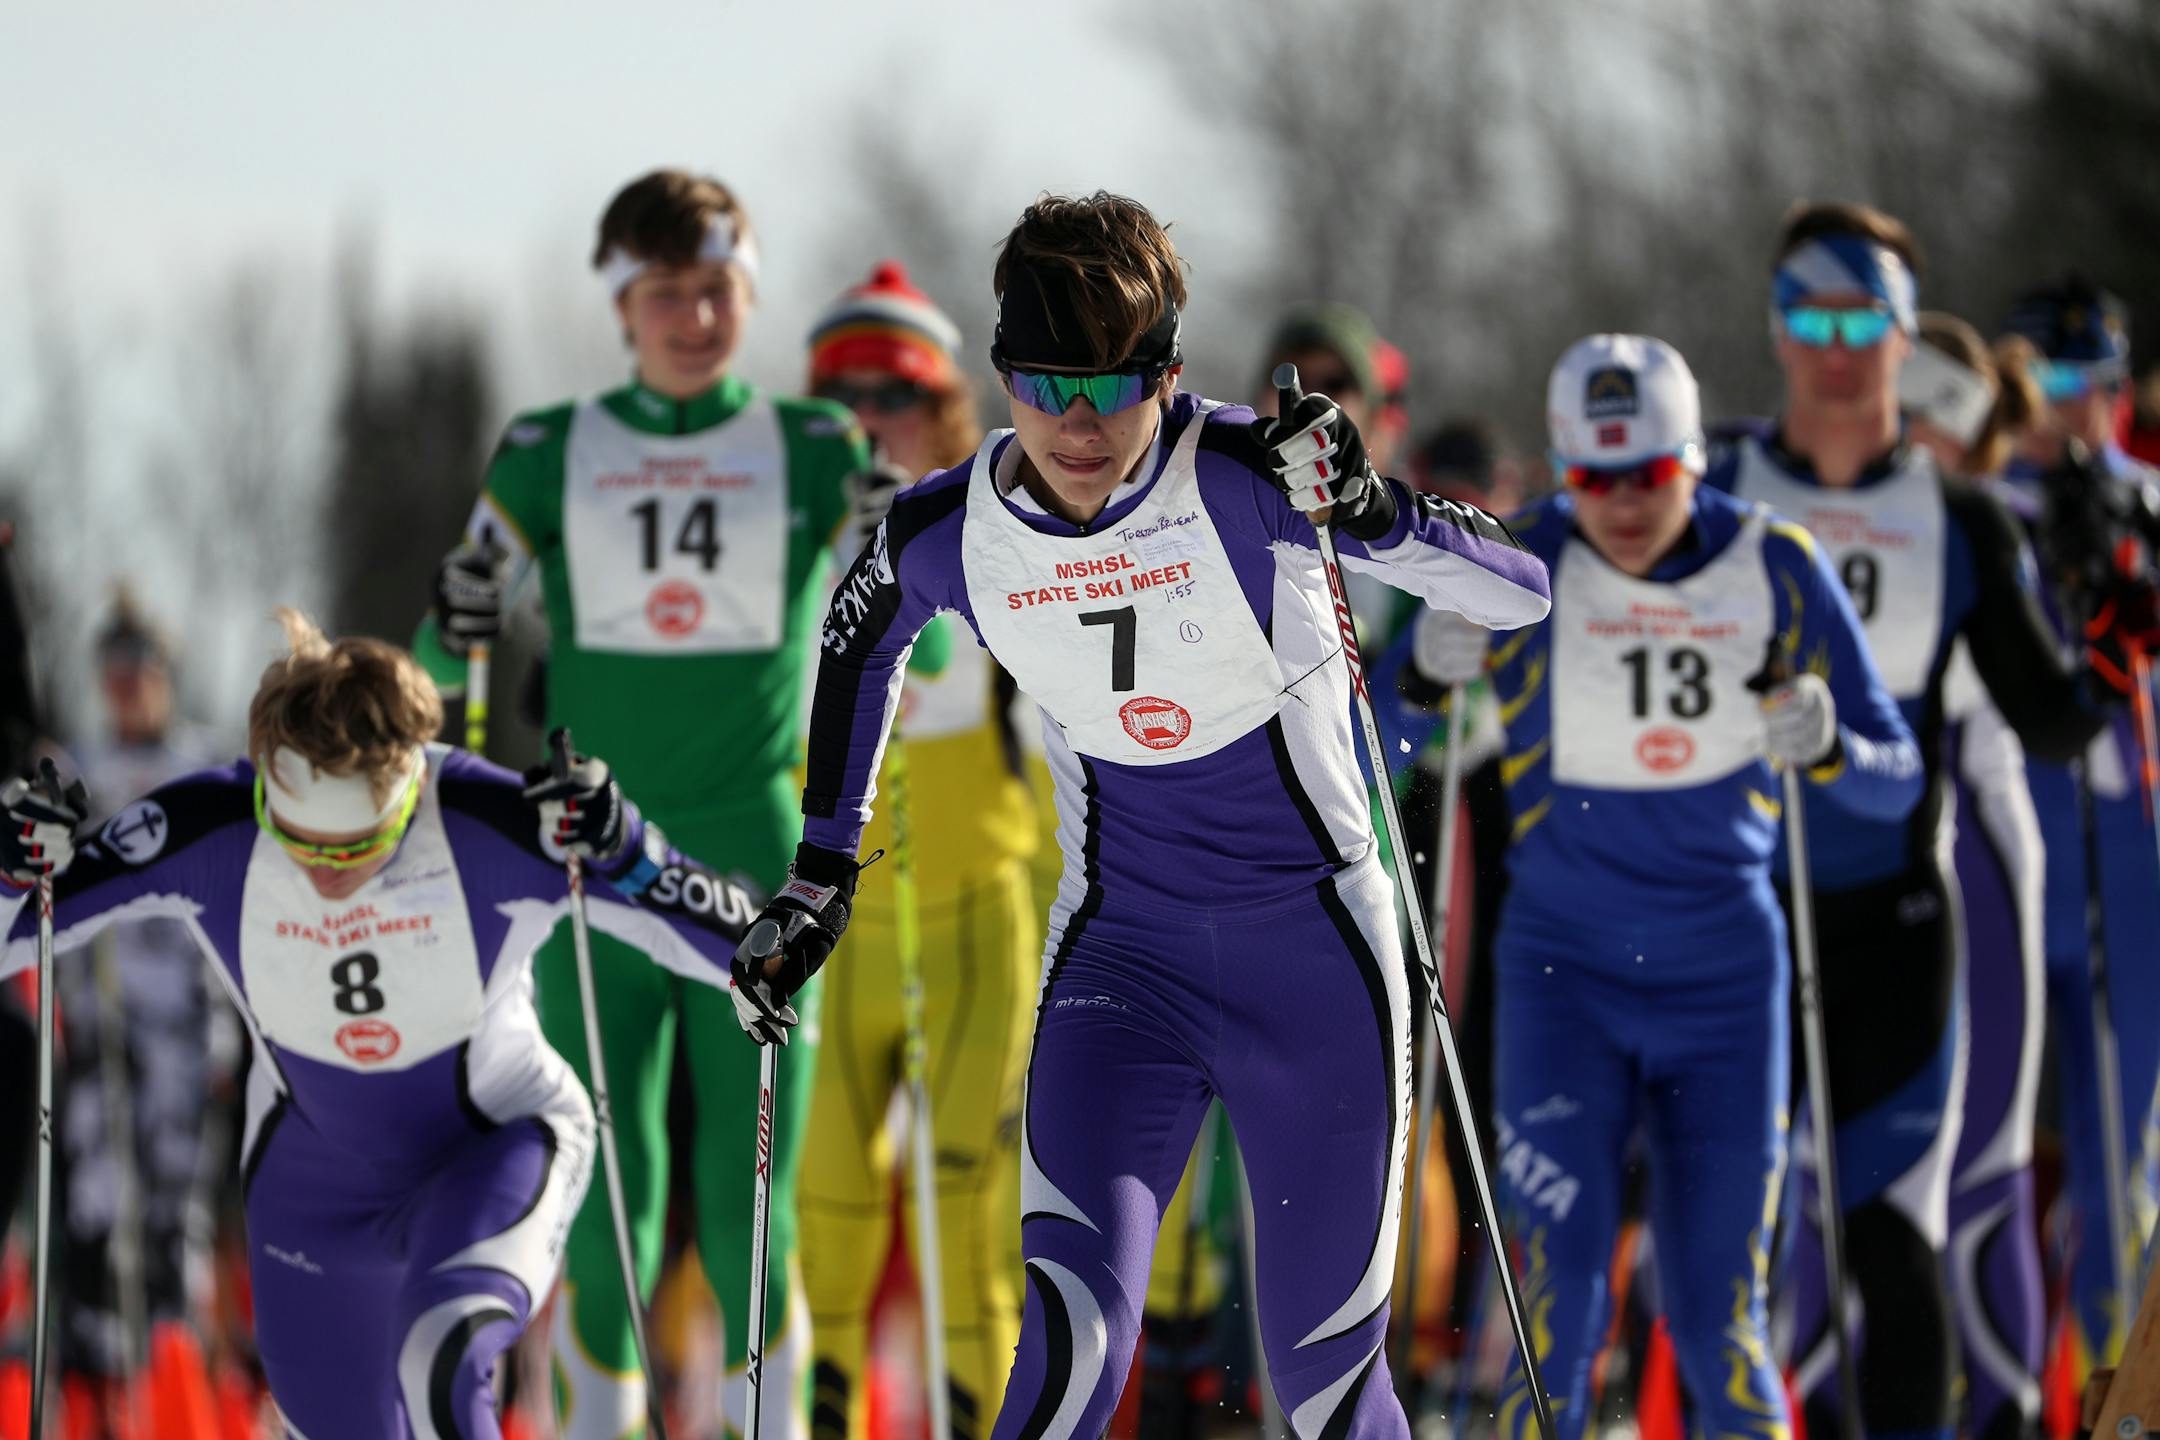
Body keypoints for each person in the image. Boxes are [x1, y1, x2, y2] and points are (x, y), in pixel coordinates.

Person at [731, 190, 1551, 1440]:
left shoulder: (1244, 474)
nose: (1076, 421)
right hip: (1125, 958)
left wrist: (1370, 508)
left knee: (1324, 1384)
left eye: (1113, 385)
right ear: (1002, 372)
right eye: (1046, 379)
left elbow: (1523, 594)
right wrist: (821, 870)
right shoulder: (949, 528)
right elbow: (861, 638)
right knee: (1067, 1351)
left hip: (1318, 958)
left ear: (1167, 373)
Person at [0, 611, 759, 1440]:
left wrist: (623, 848)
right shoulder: (209, 825)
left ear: (408, 790)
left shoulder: (483, 816)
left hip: (492, 1144)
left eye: (365, 846)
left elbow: (744, 942)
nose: (334, 875)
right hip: (313, 1188)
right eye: (305, 847)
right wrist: (17, 865)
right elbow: (17, 927)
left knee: (442, 1355)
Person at [417, 169, 866, 1437]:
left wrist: (888, 538)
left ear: (750, 288)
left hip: (756, 860)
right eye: (667, 294)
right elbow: (440, 657)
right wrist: (454, 640)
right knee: (614, 1179)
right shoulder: (549, 450)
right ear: (622, 304)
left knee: (749, 1190)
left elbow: (928, 658)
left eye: (717, 289)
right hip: (591, 860)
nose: (696, 317)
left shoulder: (817, 449)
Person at [1411, 333, 1920, 1440]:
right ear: (1561, 469)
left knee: (1718, 1322)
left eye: (1649, 473)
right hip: (1564, 984)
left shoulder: (1776, 563)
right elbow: (1380, 746)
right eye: (1595, 478)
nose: (1624, 505)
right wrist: (1419, 672)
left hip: (1725, 990)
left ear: (1695, 458)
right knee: (1557, 1319)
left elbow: (1897, 780)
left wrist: (1829, 739)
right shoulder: (1521, 559)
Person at [1710, 202, 2140, 1440]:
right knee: (1759, 1253)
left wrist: (2119, 629)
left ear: (1907, 337)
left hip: (1901, 925)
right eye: (1808, 315)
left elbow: (2055, 721)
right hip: (1735, 925)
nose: (1834, 347)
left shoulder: (1960, 520)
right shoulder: (1714, 484)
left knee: (1896, 1243)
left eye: (1862, 318)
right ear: (1777, 327)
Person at [794, 261, 1039, 1440]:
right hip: (852, 923)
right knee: (830, 1204)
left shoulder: (994, 512)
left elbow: (956, 675)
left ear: (942, 402)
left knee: (967, 1210)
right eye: (841, 397)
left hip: (976, 916)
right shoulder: (803, 529)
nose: (867, 423)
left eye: (893, 395)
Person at [2001, 277, 2160, 1389]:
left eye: (2094, 385)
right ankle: (1998, 1388)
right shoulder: (1982, 504)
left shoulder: (2147, 499)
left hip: (2130, 869)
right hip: (2007, 856)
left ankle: (2116, 1391)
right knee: (1989, 1159)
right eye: (2051, 385)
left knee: (2120, 1172)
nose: (2074, 411)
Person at [1899, 313, 2053, 1440]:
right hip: (1869, 873)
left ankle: (2003, 1412)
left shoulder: (1984, 528)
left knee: (1985, 1164)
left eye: (1923, 422)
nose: (1899, 439)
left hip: (1978, 859)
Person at [54, 594, 233, 1429]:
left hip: (185, 1037)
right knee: (94, 1218)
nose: (128, 688)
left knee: (174, 1229)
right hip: (100, 1028)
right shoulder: (75, 767)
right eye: (115, 673)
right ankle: (94, 1404)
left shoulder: (204, 769)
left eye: (143, 672)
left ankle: (174, 1403)